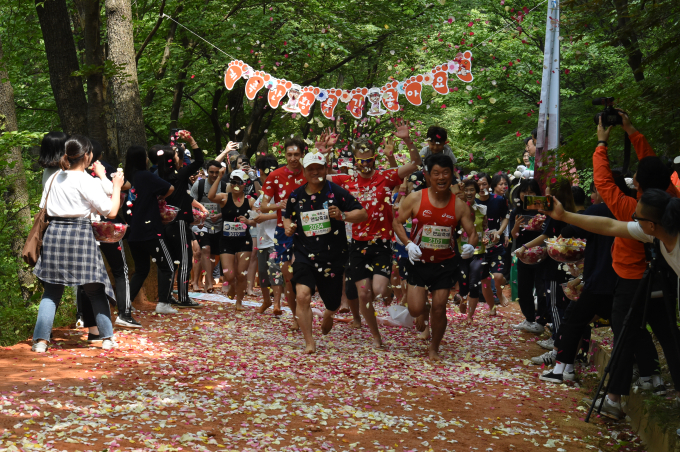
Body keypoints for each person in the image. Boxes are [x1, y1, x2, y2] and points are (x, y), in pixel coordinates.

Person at [579, 112, 680, 418]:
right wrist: (633, 131)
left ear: (638, 183)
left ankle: (613, 399)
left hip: (632, 281)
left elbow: (603, 180)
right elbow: (653, 170)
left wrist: (602, 142)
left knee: (623, 336)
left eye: (636, 175)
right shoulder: (671, 202)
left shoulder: (630, 208)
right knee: (670, 336)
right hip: (666, 280)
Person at [541, 191, 680, 404]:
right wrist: (564, 215)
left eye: (636, 217)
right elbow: (608, 226)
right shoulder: (654, 232)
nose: (632, 219)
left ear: (652, 224)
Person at [327, 119, 422, 348]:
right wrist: (326, 151)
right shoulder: (346, 181)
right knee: (364, 295)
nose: (365, 165)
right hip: (357, 245)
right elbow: (318, 176)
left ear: (375, 159)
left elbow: (416, 164)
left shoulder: (387, 177)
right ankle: (376, 336)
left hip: (381, 244)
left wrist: (407, 140)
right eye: (361, 161)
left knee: (379, 289)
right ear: (354, 161)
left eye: (369, 160)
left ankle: (391, 295)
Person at [31, 135, 125, 353]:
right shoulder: (86, 181)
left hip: (54, 234)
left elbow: (43, 207)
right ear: (87, 156)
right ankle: (106, 338)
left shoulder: (54, 178)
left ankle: (40, 342)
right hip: (80, 234)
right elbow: (111, 212)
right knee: (94, 288)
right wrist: (117, 186)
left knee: (52, 291)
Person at [394, 153, 478, 361]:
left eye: (445, 173)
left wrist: (470, 246)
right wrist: (409, 243)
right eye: (436, 174)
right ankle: (424, 307)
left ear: (452, 176)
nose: (441, 178)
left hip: (445, 263)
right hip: (419, 262)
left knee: (441, 307)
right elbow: (397, 222)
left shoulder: (459, 205)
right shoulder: (415, 198)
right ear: (427, 176)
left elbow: (473, 232)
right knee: (415, 310)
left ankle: (434, 348)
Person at [283, 151, 367, 353]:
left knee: (333, 303)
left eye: (319, 168)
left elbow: (362, 213)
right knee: (302, 295)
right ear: (304, 171)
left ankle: (328, 315)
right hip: (304, 253)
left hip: (333, 256)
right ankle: (309, 341)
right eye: (310, 169)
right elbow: (287, 217)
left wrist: (343, 215)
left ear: (326, 168)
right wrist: (288, 227)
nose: (315, 172)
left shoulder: (337, 192)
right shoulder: (295, 196)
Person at [538, 184, 616, 383]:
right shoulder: (628, 210)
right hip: (621, 281)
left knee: (572, 321)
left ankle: (561, 369)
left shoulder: (599, 210)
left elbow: (569, 230)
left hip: (599, 282)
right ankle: (651, 378)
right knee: (628, 329)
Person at [77, 139, 139, 329]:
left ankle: (81, 315)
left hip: (86, 228)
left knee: (84, 273)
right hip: (108, 228)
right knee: (120, 270)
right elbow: (125, 186)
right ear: (99, 156)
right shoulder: (104, 169)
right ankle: (124, 313)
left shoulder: (76, 174)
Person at [516, 176, 577, 364]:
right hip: (570, 266)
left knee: (556, 305)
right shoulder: (572, 213)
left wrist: (524, 247)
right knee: (565, 306)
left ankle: (557, 345)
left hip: (555, 266)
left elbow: (545, 236)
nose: (545, 196)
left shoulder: (556, 214)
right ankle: (560, 343)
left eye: (548, 193)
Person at [261, 137, 309, 330]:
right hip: (283, 231)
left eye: (296, 154)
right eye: (289, 154)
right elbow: (263, 207)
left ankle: (304, 310)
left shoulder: (310, 173)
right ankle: (296, 317)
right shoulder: (275, 175)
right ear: (285, 155)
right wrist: (278, 205)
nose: (293, 158)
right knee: (287, 276)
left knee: (302, 273)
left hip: (307, 230)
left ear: (302, 155)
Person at [124, 146, 177, 315]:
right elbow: (170, 188)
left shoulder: (126, 178)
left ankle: (126, 304)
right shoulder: (146, 176)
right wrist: (160, 197)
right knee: (167, 266)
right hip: (150, 230)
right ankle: (163, 302)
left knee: (141, 269)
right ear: (142, 159)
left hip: (133, 232)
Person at [158, 131, 205, 309]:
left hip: (164, 225)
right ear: (172, 159)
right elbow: (199, 161)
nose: (181, 157)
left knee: (170, 261)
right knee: (185, 260)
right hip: (179, 224)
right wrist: (192, 140)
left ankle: (168, 295)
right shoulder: (179, 176)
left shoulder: (160, 176)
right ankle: (184, 297)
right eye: (178, 155)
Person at [208, 167, 256, 311]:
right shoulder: (224, 197)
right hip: (226, 241)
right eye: (233, 182)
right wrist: (219, 177)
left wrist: (248, 222)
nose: (236, 185)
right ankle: (232, 288)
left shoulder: (251, 200)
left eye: (239, 182)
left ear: (245, 184)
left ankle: (239, 302)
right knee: (229, 275)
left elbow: (256, 219)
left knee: (241, 274)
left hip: (244, 241)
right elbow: (211, 196)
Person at [508, 178, 546, 333]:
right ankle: (529, 319)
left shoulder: (543, 209)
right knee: (524, 288)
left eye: (531, 192)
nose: (527, 195)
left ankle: (542, 321)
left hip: (542, 255)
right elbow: (514, 236)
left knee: (542, 288)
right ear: (519, 193)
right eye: (524, 191)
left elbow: (548, 232)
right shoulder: (517, 212)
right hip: (524, 255)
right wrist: (517, 225)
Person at [456, 178, 495, 322]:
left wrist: (486, 237)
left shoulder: (482, 209)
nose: (469, 192)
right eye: (466, 190)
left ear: (476, 192)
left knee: (474, 283)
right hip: (461, 251)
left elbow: (485, 228)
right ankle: (462, 298)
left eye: (472, 190)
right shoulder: (457, 208)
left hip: (479, 251)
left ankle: (470, 316)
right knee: (463, 281)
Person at [252, 154, 283, 315]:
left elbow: (283, 211)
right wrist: (249, 218)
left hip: (275, 238)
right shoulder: (263, 193)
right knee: (263, 272)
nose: (262, 177)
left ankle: (277, 303)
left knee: (274, 270)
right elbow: (256, 212)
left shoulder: (280, 190)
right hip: (262, 239)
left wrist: (263, 216)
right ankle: (266, 300)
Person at [190, 160, 227, 293]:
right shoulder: (198, 185)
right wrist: (200, 216)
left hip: (218, 225)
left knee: (214, 255)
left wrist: (220, 216)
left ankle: (201, 280)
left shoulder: (224, 186)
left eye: (217, 172)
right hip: (201, 224)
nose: (214, 175)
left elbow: (230, 208)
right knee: (203, 250)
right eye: (211, 172)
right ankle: (206, 282)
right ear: (207, 171)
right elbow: (190, 203)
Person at [476, 173, 510, 309]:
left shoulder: (499, 200)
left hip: (496, 246)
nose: (481, 187)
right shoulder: (473, 202)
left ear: (489, 185)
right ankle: (491, 307)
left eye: (484, 184)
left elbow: (506, 217)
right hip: (479, 247)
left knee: (498, 276)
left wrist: (499, 232)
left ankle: (500, 293)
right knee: (484, 281)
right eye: (478, 185)